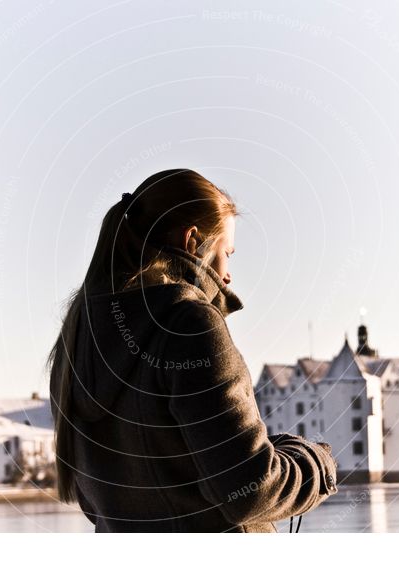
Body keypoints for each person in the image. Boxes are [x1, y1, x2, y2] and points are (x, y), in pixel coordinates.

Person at [45, 168, 338, 533]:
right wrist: (315, 460)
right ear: (191, 240)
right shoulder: (188, 324)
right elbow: (250, 490)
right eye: (226, 253)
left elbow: (98, 500)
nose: (228, 275)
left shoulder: (77, 335)